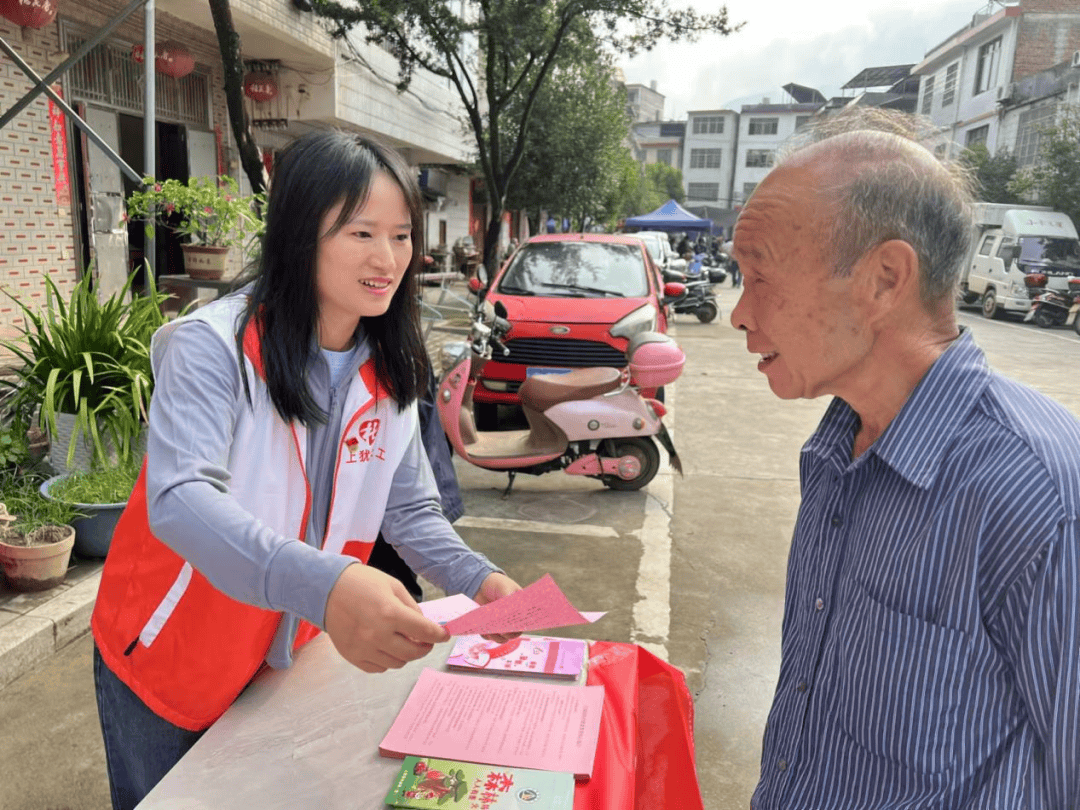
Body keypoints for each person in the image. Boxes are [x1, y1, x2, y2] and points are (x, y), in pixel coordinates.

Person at [90, 129, 521, 810]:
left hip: (290, 653)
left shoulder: (392, 365)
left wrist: (478, 578)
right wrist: (330, 585)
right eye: (360, 233)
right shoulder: (211, 349)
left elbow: (407, 510)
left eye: (403, 235)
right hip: (174, 654)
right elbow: (179, 497)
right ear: (300, 234)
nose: (388, 259)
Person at [730, 109, 1080, 808]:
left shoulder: (1037, 496)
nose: (739, 312)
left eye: (759, 276)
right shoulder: (836, 451)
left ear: (886, 279)